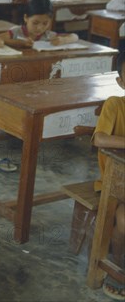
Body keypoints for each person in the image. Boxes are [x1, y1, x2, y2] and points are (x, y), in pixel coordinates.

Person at [91, 52, 125, 300]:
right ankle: (116, 266)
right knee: (123, 219)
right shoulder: (115, 104)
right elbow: (100, 139)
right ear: (121, 82)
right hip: (115, 184)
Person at [0, 0, 79, 48]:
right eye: (35, 23)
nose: (40, 28)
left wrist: (63, 40)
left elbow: (75, 36)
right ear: (26, 18)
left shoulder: (47, 35)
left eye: (45, 23)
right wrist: (18, 43)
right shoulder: (16, 32)